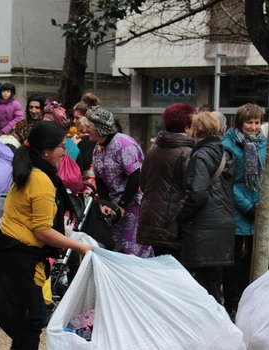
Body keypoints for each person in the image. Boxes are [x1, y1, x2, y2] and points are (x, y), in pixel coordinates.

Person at [0, 121, 92, 350]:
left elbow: (36, 224)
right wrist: (78, 246)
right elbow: (42, 230)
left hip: (12, 251)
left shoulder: (31, 172)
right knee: (34, 316)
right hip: (19, 255)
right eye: (61, 148)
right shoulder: (41, 179)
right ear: (45, 150)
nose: (64, 153)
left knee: (26, 315)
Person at [177, 112, 235, 303]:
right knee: (213, 282)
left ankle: (211, 329)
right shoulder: (225, 153)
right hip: (223, 224)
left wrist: (181, 216)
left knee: (203, 287)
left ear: (196, 130)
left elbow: (197, 193)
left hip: (203, 227)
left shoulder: (200, 155)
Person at [221, 103, 269, 320]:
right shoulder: (229, 145)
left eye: (257, 122)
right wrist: (247, 207)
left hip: (260, 206)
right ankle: (232, 304)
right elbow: (228, 181)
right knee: (234, 263)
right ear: (240, 122)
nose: (253, 126)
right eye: (249, 122)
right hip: (239, 209)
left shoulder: (266, 144)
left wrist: (266, 202)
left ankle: (253, 305)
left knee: (255, 260)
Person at [83, 107, 152, 257]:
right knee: (115, 250)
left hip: (132, 205)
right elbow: (99, 178)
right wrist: (106, 204)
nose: (85, 129)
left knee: (131, 252)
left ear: (99, 128)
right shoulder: (98, 148)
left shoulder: (124, 144)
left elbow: (135, 176)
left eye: (88, 126)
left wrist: (121, 205)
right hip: (114, 209)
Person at [137, 103, 196, 259]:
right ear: (187, 127)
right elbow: (192, 189)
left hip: (151, 219)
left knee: (161, 267)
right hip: (173, 224)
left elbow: (143, 183)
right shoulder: (188, 153)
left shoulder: (153, 150)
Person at [72, 93, 100, 185]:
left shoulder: (86, 139)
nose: (74, 121)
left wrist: (72, 147)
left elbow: (84, 164)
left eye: (77, 118)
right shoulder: (94, 136)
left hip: (88, 186)